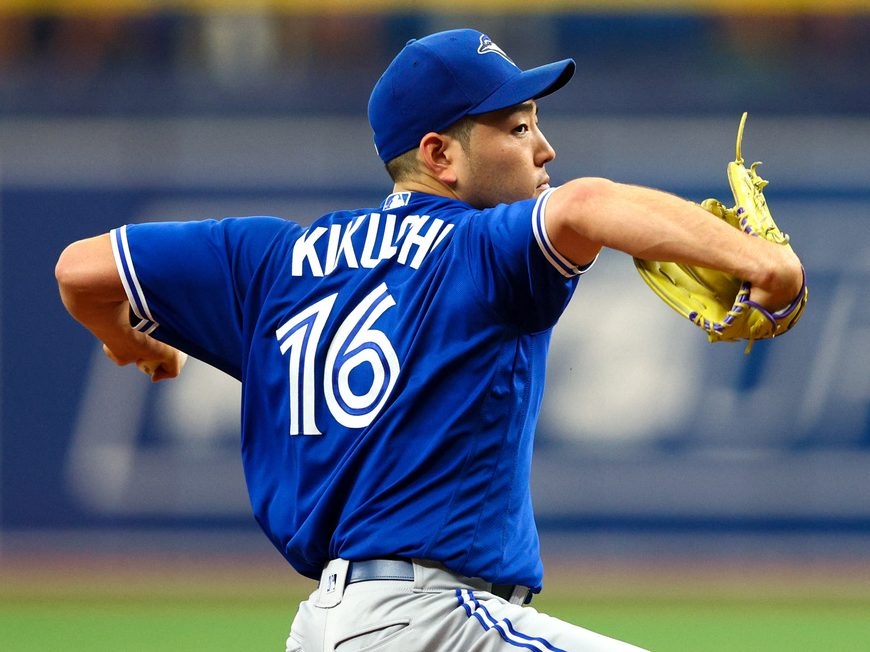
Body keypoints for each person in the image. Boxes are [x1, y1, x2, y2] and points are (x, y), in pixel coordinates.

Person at [56, 28, 804, 652]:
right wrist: (762, 262)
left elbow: (80, 269)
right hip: (428, 623)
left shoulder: (269, 261)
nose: (543, 148)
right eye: (517, 128)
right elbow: (589, 205)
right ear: (441, 156)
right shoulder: (478, 249)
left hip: (329, 627)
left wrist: (127, 342)